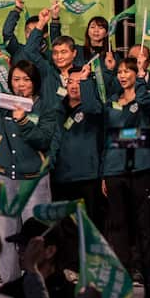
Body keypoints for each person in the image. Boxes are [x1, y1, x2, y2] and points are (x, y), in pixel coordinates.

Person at [0, 54, 57, 281]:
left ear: (34, 82)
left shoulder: (44, 107)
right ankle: (10, 283)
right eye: (16, 80)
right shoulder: (4, 103)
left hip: (35, 179)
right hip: (7, 179)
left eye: (26, 80)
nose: (21, 84)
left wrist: (24, 121)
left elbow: (43, 140)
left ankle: (37, 281)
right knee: (7, 234)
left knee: (36, 234)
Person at [101, 57, 150, 284]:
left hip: (141, 169)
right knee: (118, 225)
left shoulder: (147, 97)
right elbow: (108, 137)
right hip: (114, 170)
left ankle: (147, 272)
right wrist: (105, 172)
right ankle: (121, 273)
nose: (123, 75)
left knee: (144, 224)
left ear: (137, 74)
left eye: (128, 71)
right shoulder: (112, 101)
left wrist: (144, 79)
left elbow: (147, 119)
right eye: (120, 72)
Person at [49, 68, 104, 228]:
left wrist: (86, 81)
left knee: (89, 228)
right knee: (64, 229)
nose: (74, 86)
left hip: (87, 177)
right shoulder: (58, 108)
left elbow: (92, 107)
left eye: (80, 83)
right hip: (61, 178)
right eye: (70, 82)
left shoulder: (93, 109)